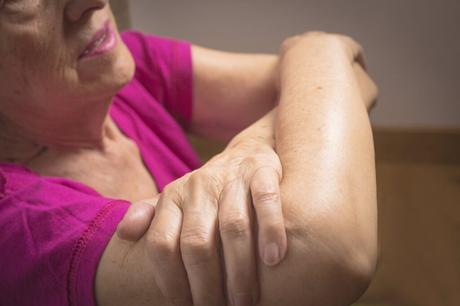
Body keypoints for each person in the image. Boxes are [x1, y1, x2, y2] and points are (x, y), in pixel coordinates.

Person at [0, 1, 378, 306]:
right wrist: (318, 46)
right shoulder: (18, 228)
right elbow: (330, 253)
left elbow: (355, 81)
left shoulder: (123, 64)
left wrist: (252, 142)